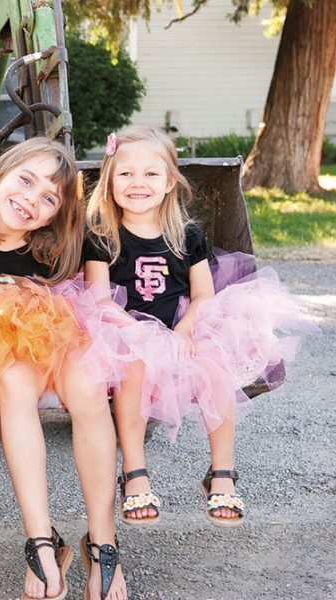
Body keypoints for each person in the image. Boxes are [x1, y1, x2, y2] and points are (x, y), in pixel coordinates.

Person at [82, 126, 312, 529]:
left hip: (181, 327)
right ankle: (134, 474)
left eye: (151, 174)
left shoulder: (188, 235)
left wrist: (185, 330)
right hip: (124, 331)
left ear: (170, 181)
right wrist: (138, 332)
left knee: (215, 362)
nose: (138, 183)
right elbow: (98, 299)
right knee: (134, 366)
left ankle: (221, 473)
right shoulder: (103, 237)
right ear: (109, 181)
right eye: (126, 174)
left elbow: (204, 296)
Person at [0, 137, 126, 600]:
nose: (31, 199)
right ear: (1, 171)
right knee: (11, 384)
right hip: (1, 346)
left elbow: (102, 287)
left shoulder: (57, 245)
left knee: (89, 389)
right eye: (25, 180)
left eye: (49, 198)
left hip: (62, 330)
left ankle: (103, 544)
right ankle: (42, 540)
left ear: (56, 215)